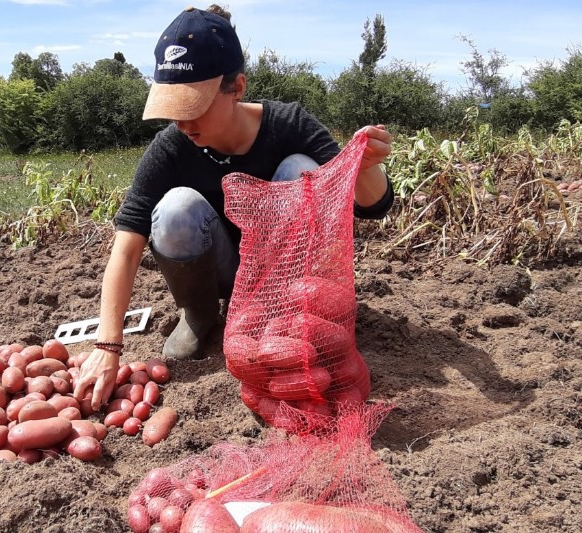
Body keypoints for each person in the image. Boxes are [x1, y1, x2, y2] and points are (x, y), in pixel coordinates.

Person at [73, 5, 394, 410]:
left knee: (302, 170)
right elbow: (127, 244)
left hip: (287, 276)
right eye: (174, 108)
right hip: (221, 273)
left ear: (237, 87)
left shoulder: (290, 125)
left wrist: (365, 166)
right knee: (175, 208)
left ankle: (287, 318)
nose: (184, 123)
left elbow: (372, 205)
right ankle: (200, 314)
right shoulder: (172, 147)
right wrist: (107, 345)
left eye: (195, 106)